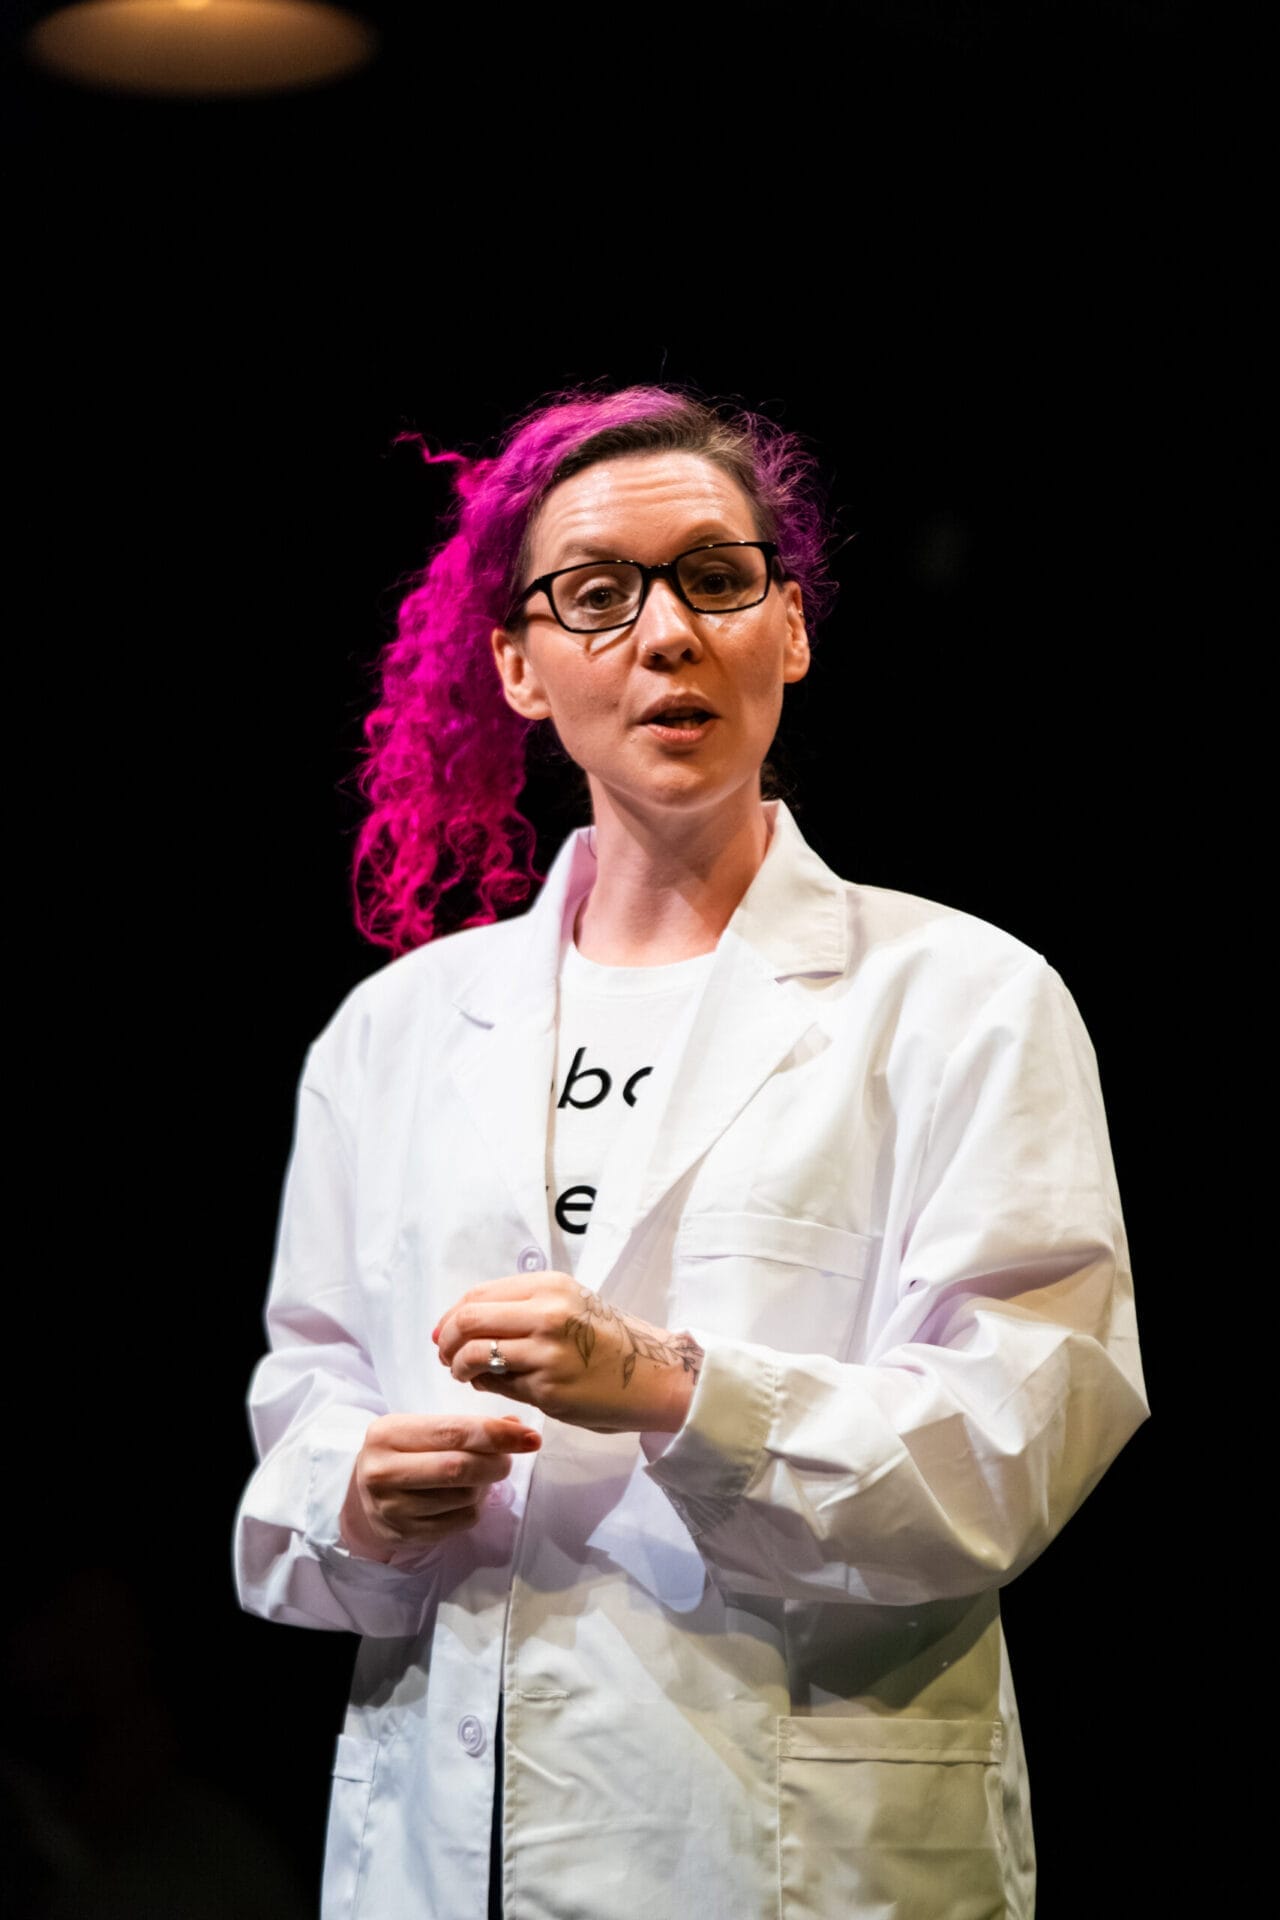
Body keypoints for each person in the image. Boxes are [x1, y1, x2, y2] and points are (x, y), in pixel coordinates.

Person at [234, 385, 1149, 1920]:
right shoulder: (391, 1036)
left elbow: (1021, 1439)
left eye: (716, 579)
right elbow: (303, 1416)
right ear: (518, 668)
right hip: (437, 1852)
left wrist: (674, 1388)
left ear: (788, 629)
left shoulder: (964, 1002)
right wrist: (356, 1496)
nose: (665, 635)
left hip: (788, 1852)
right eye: (596, 596)